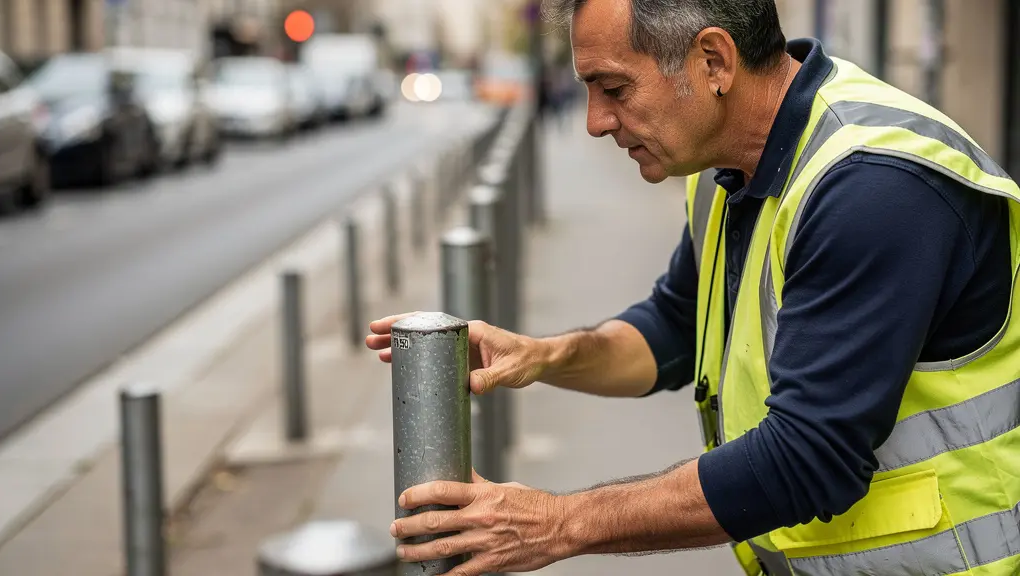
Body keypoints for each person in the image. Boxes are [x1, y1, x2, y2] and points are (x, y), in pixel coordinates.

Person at [366, 0, 1020, 574]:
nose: (595, 121)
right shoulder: (726, 165)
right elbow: (674, 329)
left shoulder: (873, 188)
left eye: (613, 88)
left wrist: (557, 524)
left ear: (714, 60)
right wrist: (543, 357)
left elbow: (807, 459)